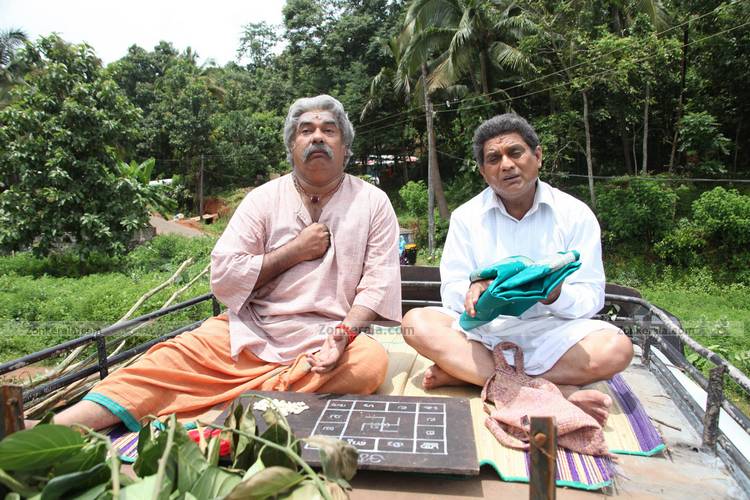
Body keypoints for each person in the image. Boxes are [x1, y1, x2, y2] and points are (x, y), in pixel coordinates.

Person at [49, 95, 401, 431]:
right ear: (291, 147)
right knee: (169, 358)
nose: (318, 137)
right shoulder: (262, 199)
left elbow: (378, 282)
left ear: (346, 147)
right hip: (252, 331)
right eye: (306, 130)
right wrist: (294, 251)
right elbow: (225, 275)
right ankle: (57, 427)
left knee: (369, 363)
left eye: (329, 130)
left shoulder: (373, 202)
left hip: (326, 337)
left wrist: (340, 338)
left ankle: (227, 410)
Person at [402, 114, 633, 424]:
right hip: (486, 332)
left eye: (515, 152)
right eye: (494, 158)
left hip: (551, 331)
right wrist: (474, 293)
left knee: (616, 348)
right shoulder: (466, 217)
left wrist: (555, 294)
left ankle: (476, 377)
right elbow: (452, 291)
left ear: (537, 157)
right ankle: (550, 391)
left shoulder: (575, 214)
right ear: (484, 172)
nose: (506, 165)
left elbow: (592, 297)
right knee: (415, 323)